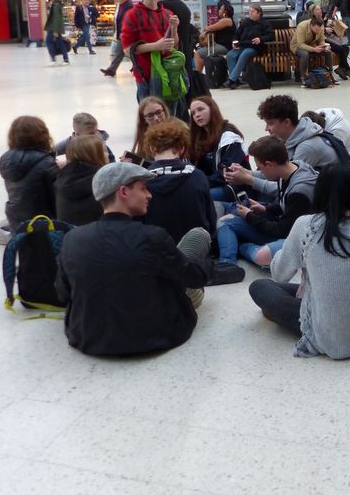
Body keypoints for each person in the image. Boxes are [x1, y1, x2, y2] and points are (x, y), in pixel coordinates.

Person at [55, 162, 243, 357]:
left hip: (87, 337)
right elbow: (193, 278)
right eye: (143, 189)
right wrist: (207, 267)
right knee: (195, 244)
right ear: (124, 192)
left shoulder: (72, 239)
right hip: (154, 335)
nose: (149, 195)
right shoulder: (151, 237)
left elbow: (63, 293)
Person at [247, 165, 350, 358]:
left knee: (260, 286)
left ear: (319, 192)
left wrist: (287, 248)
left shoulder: (305, 225)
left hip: (328, 338)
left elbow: (279, 274)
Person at [216, 135, 318, 266]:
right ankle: (233, 248)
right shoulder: (295, 167)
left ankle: (228, 263)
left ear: (269, 164)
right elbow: (286, 205)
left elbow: (282, 230)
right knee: (231, 215)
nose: (260, 172)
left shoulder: (299, 191)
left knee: (227, 223)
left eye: (260, 168)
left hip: (294, 237)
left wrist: (249, 216)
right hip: (286, 223)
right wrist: (265, 209)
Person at [223, 94, 343, 200]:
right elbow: (279, 173)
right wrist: (246, 172)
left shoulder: (307, 147)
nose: (266, 129)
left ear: (287, 122)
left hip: (326, 200)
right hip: (314, 193)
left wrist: (248, 179)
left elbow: (287, 188)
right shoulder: (295, 137)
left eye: (270, 123)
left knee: (259, 195)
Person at [143, 119, 218, 246]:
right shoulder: (198, 176)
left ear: (152, 149)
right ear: (182, 149)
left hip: (157, 250)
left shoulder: (142, 182)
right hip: (196, 249)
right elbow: (211, 221)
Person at [119, 0, 180, 104]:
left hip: (169, 74)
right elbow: (127, 50)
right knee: (150, 114)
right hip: (146, 76)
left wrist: (174, 29)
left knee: (170, 114)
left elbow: (174, 45)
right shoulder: (132, 14)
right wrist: (156, 46)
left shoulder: (168, 14)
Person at [0, 115, 57, 232]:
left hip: (16, 221)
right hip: (44, 222)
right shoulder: (46, 162)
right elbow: (57, 196)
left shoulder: (6, 160)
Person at [189, 95, 249, 198]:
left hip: (234, 187)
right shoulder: (199, 138)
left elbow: (226, 173)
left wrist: (199, 183)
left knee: (195, 197)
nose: (197, 115)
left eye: (200, 109)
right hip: (212, 184)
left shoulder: (229, 136)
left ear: (213, 110)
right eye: (193, 113)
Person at [50, 134, 107, 226]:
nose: (108, 154)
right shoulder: (103, 182)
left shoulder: (60, 179)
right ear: (94, 155)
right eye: (104, 151)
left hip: (70, 233)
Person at [224, 4, 273, 89]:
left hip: (255, 47)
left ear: (259, 13)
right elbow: (236, 34)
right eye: (249, 11)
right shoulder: (245, 22)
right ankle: (235, 80)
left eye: (252, 11)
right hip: (242, 45)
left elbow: (271, 35)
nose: (250, 13)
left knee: (245, 54)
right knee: (230, 55)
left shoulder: (264, 23)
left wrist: (260, 39)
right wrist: (234, 41)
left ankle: (232, 79)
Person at [290, 16, 334, 87]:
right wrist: (313, 49)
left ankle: (330, 75)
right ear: (311, 26)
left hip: (313, 45)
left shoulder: (321, 27)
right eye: (316, 29)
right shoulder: (302, 26)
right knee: (305, 54)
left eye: (319, 29)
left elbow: (321, 40)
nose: (318, 31)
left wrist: (323, 47)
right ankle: (303, 77)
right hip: (297, 46)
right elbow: (300, 44)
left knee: (328, 52)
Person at [126, 97, 170, 165]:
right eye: (150, 116)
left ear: (165, 112)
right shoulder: (144, 141)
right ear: (144, 119)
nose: (156, 118)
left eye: (159, 112)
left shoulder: (179, 133)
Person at [101, 0, 133, 77]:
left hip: (125, 33)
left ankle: (137, 67)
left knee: (129, 53)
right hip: (121, 33)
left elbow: (127, 20)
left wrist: (124, 32)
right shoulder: (121, 5)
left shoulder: (129, 6)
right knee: (120, 53)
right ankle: (111, 70)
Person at [43, 0, 70, 66]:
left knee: (49, 42)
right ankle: (65, 59)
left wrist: (56, 30)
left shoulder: (56, 4)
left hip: (53, 28)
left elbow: (57, 17)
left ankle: (54, 59)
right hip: (52, 27)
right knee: (60, 43)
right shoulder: (53, 3)